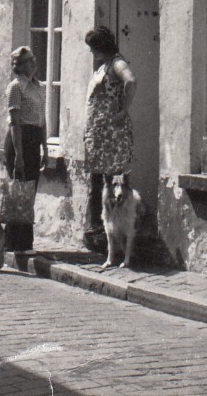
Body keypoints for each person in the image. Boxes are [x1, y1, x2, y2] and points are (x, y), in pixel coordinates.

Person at [83, 25, 136, 255]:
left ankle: (112, 238)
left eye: (93, 47)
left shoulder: (117, 63)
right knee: (98, 183)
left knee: (110, 183)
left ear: (101, 46)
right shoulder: (104, 65)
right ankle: (100, 233)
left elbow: (131, 81)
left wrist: (123, 110)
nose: (91, 52)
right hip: (101, 136)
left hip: (111, 136)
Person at [3, 45, 48, 253]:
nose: (34, 63)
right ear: (20, 66)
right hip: (19, 141)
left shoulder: (38, 87)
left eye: (34, 59)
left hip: (34, 140)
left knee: (29, 193)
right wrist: (19, 155)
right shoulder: (16, 87)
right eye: (30, 61)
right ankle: (16, 243)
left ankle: (22, 242)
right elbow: (15, 123)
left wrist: (45, 147)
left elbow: (42, 119)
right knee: (18, 192)